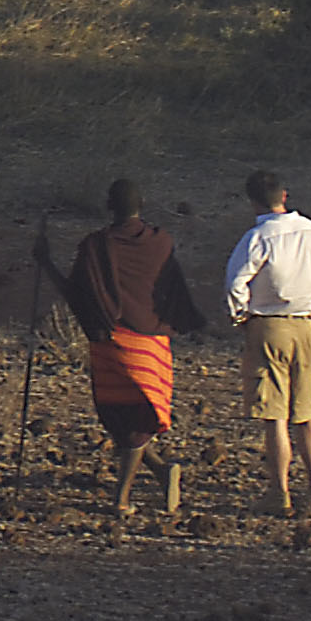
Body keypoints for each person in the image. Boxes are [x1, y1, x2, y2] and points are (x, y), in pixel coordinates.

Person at [57, 177, 210, 516]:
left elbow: (77, 294)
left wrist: (46, 264)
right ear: (143, 204)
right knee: (128, 419)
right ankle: (160, 469)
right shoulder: (160, 242)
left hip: (114, 341)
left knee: (133, 419)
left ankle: (122, 498)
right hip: (153, 342)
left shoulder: (97, 246)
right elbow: (172, 288)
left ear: (108, 206)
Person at [222, 168, 311, 515]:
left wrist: (241, 318)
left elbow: (236, 283)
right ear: (285, 195)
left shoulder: (258, 237)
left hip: (268, 324)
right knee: (306, 413)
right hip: (305, 325)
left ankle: (279, 492)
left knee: (274, 415)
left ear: (252, 202)